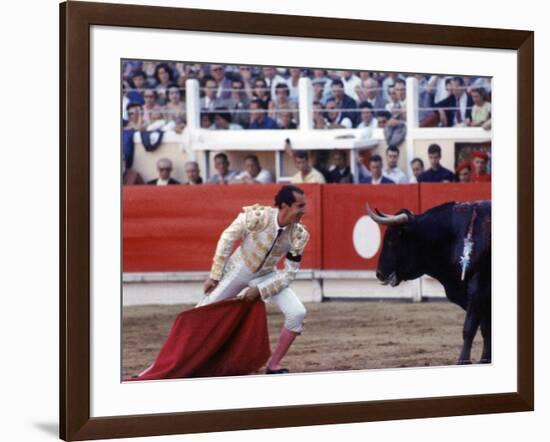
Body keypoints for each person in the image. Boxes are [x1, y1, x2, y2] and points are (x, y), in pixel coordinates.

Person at [200, 185, 310, 374]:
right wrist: (215, 275)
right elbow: (227, 239)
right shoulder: (257, 217)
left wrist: (261, 290)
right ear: (285, 205)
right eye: (300, 206)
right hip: (238, 269)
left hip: (266, 275)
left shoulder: (299, 235)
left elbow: (289, 274)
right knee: (201, 314)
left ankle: (273, 365)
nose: (303, 211)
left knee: (297, 313)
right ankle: (174, 363)